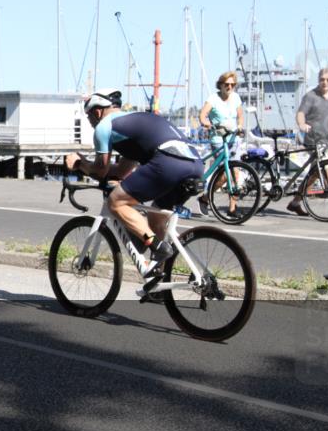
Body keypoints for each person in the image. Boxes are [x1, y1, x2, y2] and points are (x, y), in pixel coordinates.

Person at [64, 89, 204, 277]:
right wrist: (101, 172)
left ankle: (157, 246)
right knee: (156, 218)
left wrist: (79, 163)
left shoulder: (104, 127)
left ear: (97, 112)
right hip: (195, 164)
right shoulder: (133, 122)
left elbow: (100, 170)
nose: (90, 122)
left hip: (168, 162)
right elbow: (122, 171)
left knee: (116, 202)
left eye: (89, 116)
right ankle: (158, 280)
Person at [287, 67, 328, 218]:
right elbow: (301, 114)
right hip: (313, 140)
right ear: (318, 79)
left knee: (315, 173)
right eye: (322, 79)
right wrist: (302, 124)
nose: (325, 82)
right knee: (327, 169)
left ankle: (295, 203)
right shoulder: (310, 96)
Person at [196, 71, 245, 215]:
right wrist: (206, 124)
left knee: (235, 173)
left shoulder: (236, 98)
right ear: (221, 85)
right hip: (218, 139)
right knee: (225, 175)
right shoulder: (213, 99)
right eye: (227, 84)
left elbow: (240, 117)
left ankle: (232, 208)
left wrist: (240, 126)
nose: (229, 87)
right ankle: (205, 198)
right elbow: (202, 116)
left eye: (232, 85)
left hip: (233, 139)